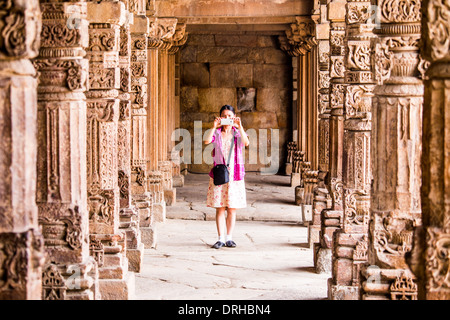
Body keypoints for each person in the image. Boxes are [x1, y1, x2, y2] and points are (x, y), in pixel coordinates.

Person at [204, 105, 250, 249]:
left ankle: (229, 237)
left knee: (232, 208)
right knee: (220, 208)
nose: (227, 119)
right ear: (220, 118)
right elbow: (206, 141)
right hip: (219, 173)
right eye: (224, 116)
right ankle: (220, 238)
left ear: (234, 117)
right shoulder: (216, 133)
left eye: (230, 116)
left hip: (235, 175)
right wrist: (213, 126)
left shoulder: (237, 133)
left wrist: (240, 126)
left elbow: (246, 142)